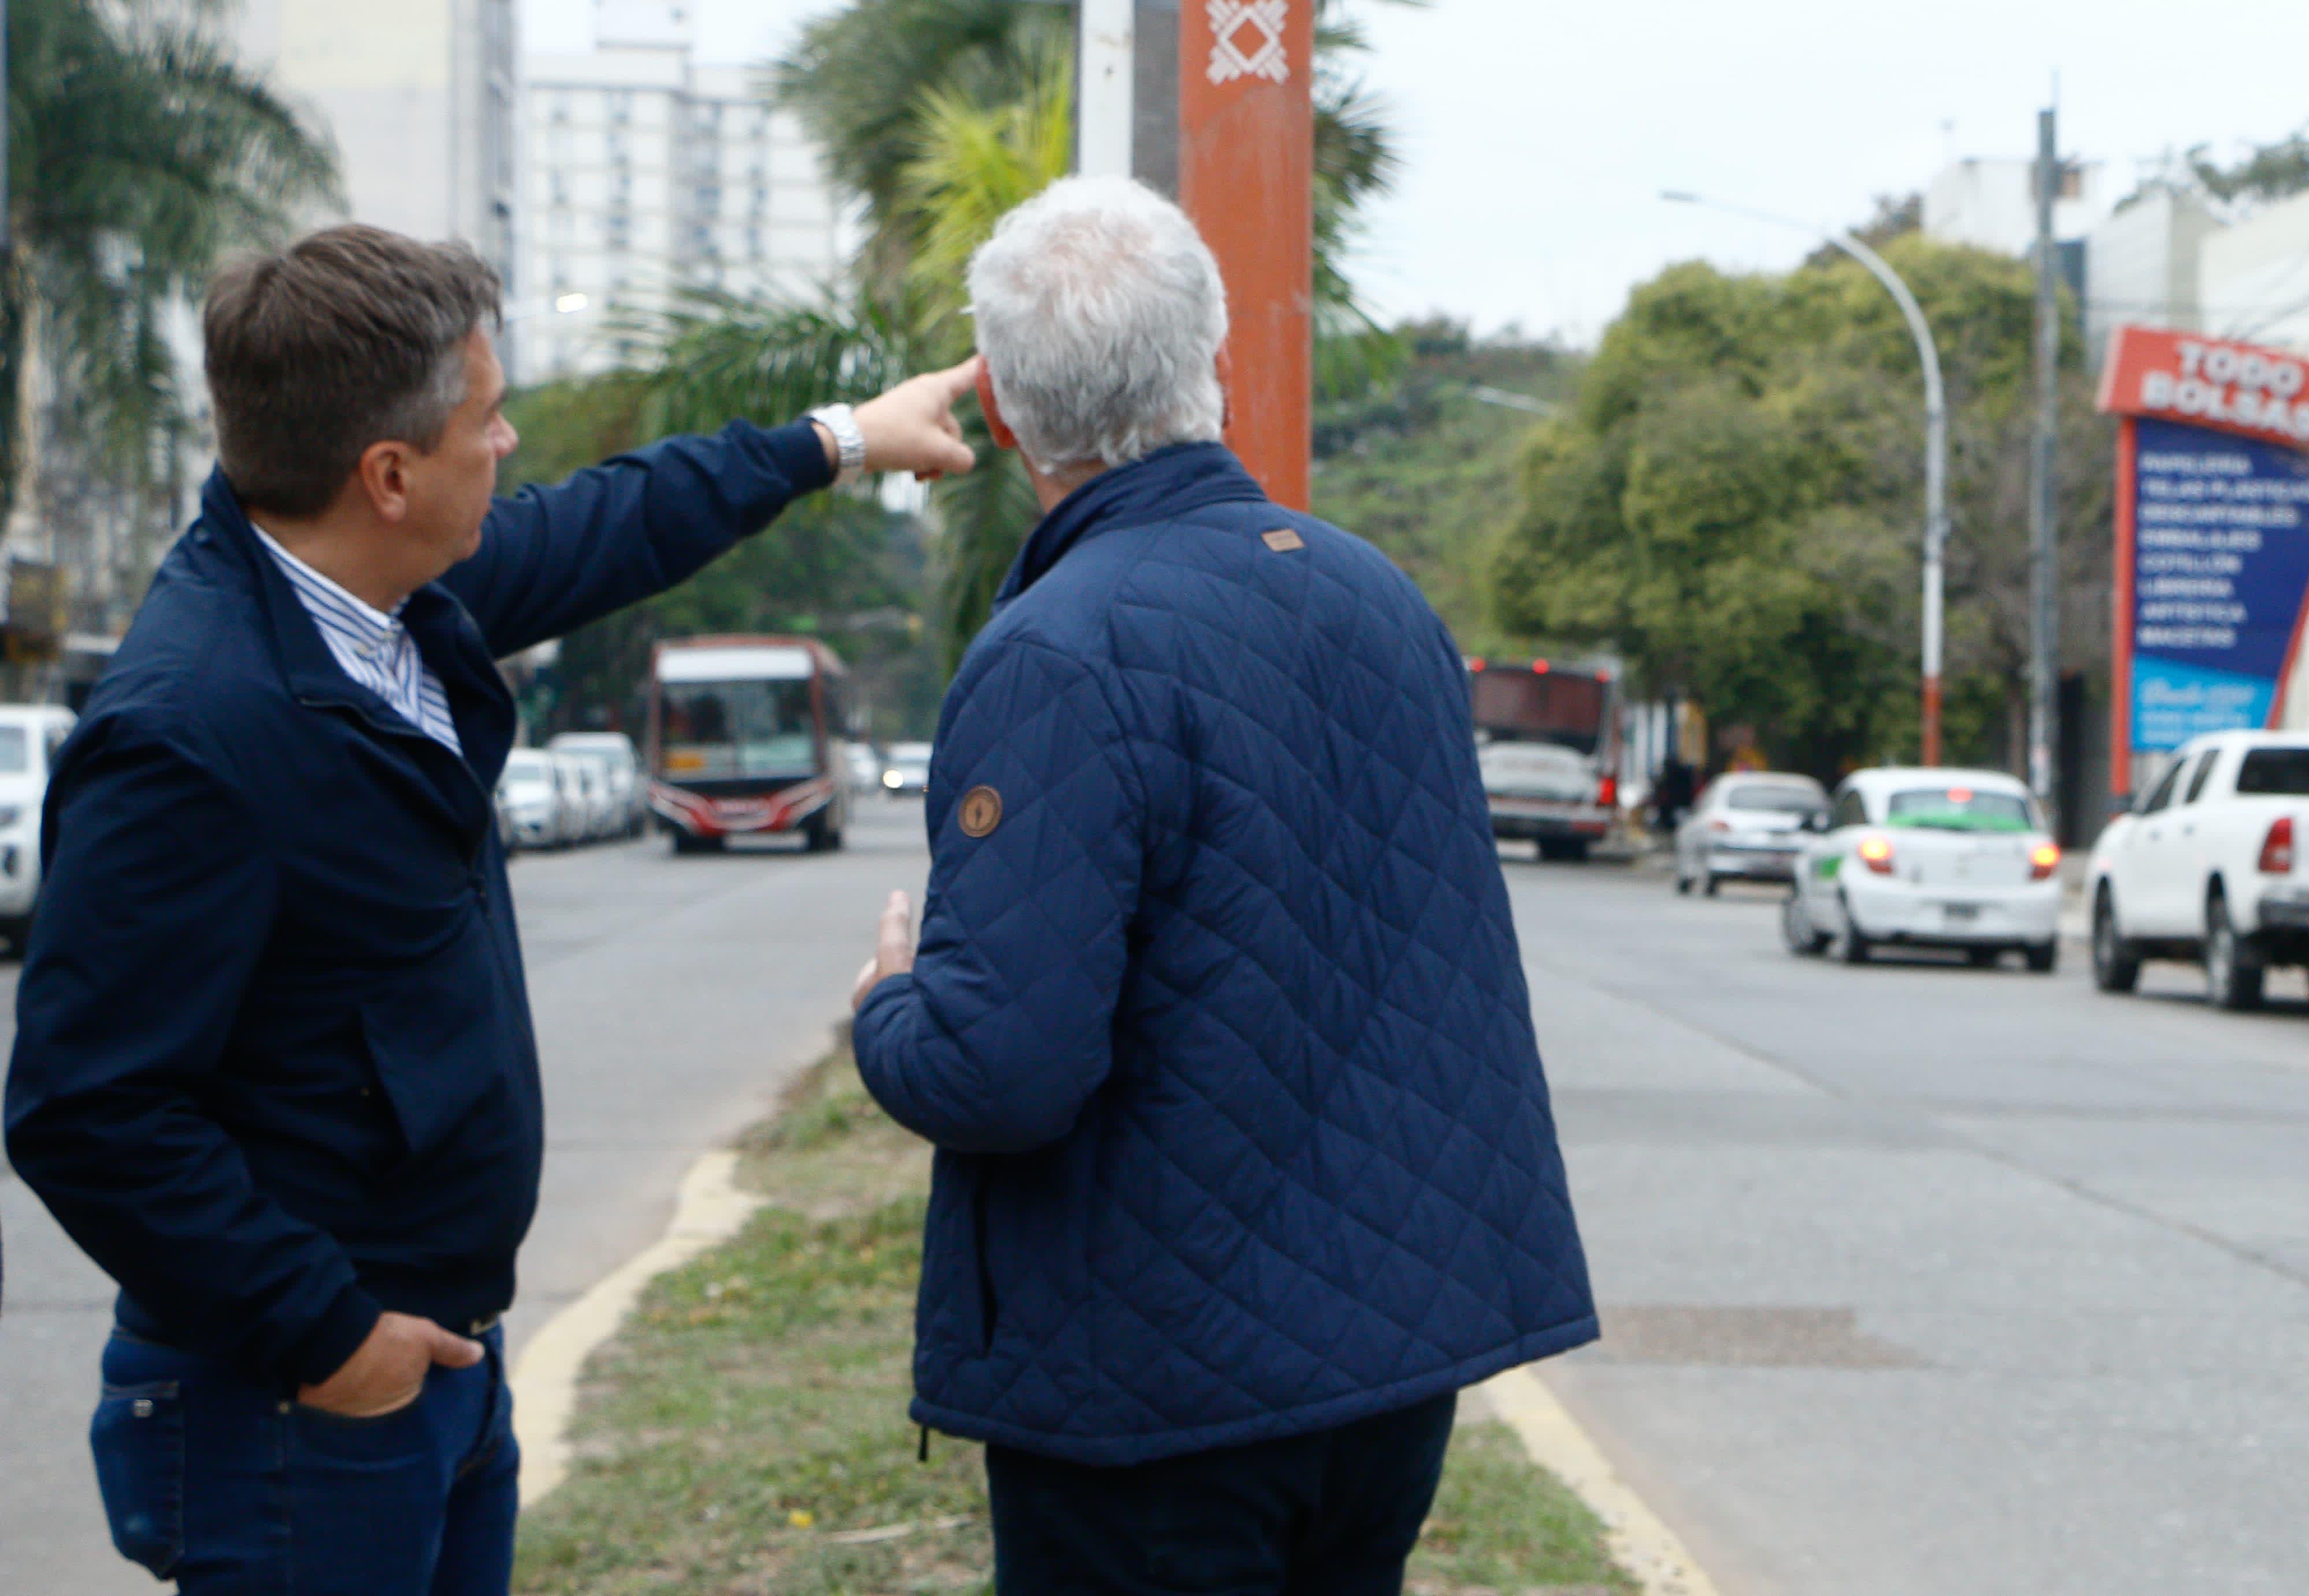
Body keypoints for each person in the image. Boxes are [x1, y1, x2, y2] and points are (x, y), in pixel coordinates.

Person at [2, 223, 977, 1595]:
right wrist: (329, 1337)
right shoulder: (193, 731)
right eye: (487, 415)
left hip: (440, 1356)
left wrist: (839, 440)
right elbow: (85, 1107)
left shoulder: (388, 598)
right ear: (388, 473)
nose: (511, 442)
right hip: (301, 1407)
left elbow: (608, 523)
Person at [850, 177, 1598, 1595]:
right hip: (1385, 1369)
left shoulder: (1056, 652)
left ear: (1000, 410)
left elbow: (1002, 1069)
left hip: (1159, 1394)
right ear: (1219, 367)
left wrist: (889, 1011)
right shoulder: (1377, 594)